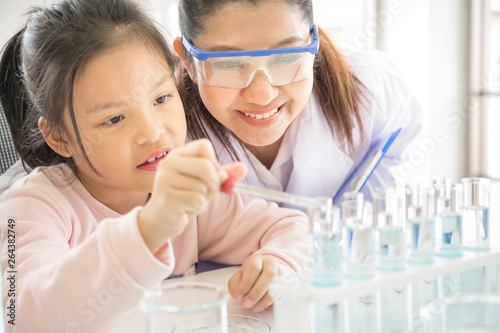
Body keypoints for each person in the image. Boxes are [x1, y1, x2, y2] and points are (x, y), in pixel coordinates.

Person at [0, 0, 308, 331]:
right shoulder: (29, 207)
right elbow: (24, 317)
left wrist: (279, 262)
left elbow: (292, 228)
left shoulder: (191, 200)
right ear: (59, 137)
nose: (152, 132)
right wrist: (150, 227)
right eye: (114, 118)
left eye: (161, 99)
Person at [174, 0, 423, 202]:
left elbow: (400, 132)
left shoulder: (371, 88)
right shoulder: (166, 135)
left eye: (286, 57)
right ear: (187, 60)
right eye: (229, 63)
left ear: (311, 42)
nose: (263, 95)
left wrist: (361, 218)